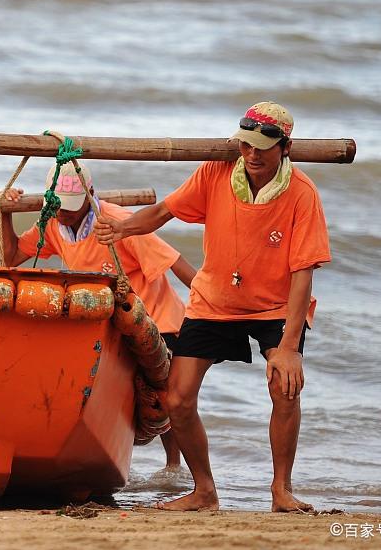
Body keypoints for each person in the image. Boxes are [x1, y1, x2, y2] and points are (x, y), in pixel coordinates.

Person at [94, 102, 330, 513]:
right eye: (245, 145)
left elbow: (303, 272)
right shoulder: (215, 172)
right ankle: (204, 491)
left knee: (285, 388)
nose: (253, 155)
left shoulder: (302, 194)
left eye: (263, 147)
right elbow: (165, 211)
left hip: (274, 306)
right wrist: (123, 227)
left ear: (285, 147)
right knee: (178, 399)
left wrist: (289, 347)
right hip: (214, 300)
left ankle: (281, 490)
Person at [0, 161, 197, 471]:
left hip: (157, 319)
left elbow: (174, 261)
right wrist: (5, 212)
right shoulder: (52, 224)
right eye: (59, 206)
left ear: (90, 195)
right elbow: (11, 258)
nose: (64, 212)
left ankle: (174, 466)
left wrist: (211, 305)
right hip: (108, 322)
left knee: (163, 396)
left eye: (72, 207)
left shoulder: (117, 223)